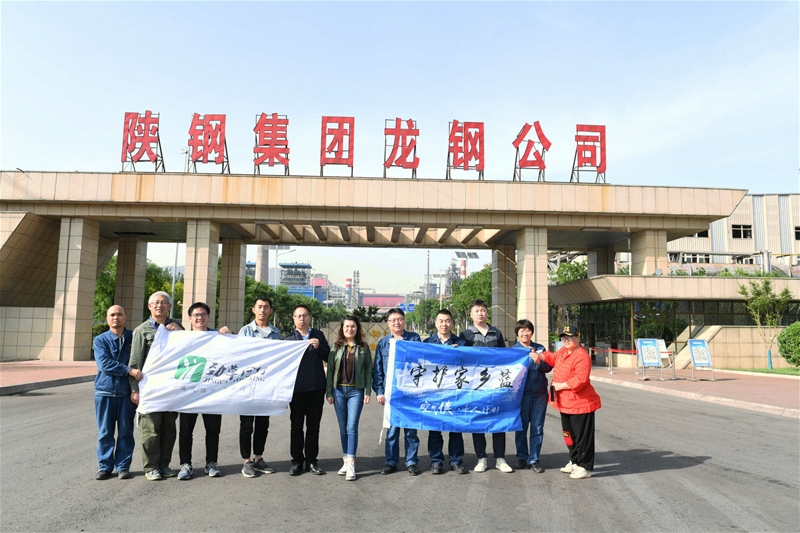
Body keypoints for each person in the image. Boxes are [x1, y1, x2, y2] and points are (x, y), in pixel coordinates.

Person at [129, 291, 184, 481]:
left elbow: (187, 351)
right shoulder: (141, 330)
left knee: (169, 428)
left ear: (169, 307)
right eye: (156, 303)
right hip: (150, 388)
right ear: (149, 306)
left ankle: (164, 464)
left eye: (164, 302)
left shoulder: (177, 327)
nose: (160, 305)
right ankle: (151, 466)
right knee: (150, 428)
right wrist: (134, 389)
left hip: (171, 387)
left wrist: (180, 332)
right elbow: (135, 362)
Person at [533, 326, 601, 480]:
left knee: (582, 437)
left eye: (569, 337)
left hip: (581, 404)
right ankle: (575, 461)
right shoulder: (563, 351)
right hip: (564, 403)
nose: (566, 341)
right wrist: (539, 355)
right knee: (568, 435)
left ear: (577, 337)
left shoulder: (582, 356)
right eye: (563, 338)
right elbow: (552, 358)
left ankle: (585, 466)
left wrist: (561, 385)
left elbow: (581, 380)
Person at [177, 302, 231, 480]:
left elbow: (235, 352)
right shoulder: (181, 338)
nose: (200, 318)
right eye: (196, 315)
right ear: (190, 318)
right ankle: (185, 464)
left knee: (213, 430)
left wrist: (231, 335)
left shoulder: (219, 336)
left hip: (211, 391)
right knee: (185, 431)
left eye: (203, 314)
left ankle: (211, 463)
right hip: (189, 391)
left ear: (209, 317)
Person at [459, 299, 513, 473]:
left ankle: (500, 458)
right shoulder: (466, 335)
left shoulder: (496, 333)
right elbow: (461, 359)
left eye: (482, 310)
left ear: (487, 313)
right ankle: (481, 458)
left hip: (495, 386)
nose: (480, 313)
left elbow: (505, 357)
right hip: (475, 387)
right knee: (478, 421)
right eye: (476, 311)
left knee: (498, 420)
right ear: (471, 314)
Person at [93, 305, 141, 480]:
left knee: (126, 432)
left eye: (119, 314)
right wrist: (129, 370)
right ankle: (105, 467)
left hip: (127, 393)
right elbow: (104, 364)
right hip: (104, 392)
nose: (116, 317)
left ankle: (123, 466)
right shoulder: (100, 340)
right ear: (107, 318)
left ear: (125, 317)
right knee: (105, 432)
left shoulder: (134, 337)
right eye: (112, 315)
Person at [373, 307, 422, 475]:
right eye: (393, 320)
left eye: (399, 319)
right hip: (391, 393)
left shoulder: (414, 339)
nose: (396, 323)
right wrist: (379, 391)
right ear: (388, 323)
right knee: (392, 430)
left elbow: (422, 360)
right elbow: (378, 370)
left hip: (411, 392)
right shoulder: (383, 343)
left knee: (410, 429)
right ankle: (391, 462)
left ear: (404, 321)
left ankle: (411, 461)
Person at [237, 295, 282, 478]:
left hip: (267, 386)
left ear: (271, 310)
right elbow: (239, 356)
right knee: (246, 424)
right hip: (248, 386)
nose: (262, 310)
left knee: (263, 424)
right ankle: (246, 461)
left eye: (266, 307)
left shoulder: (276, 333)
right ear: (253, 309)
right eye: (259, 306)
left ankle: (258, 458)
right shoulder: (245, 331)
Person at [284, 304, 330, 476]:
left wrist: (320, 347)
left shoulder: (318, 335)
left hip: (316, 388)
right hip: (296, 390)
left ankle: (312, 461)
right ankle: (297, 461)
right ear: (293, 319)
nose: (301, 319)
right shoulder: (289, 339)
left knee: (313, 427)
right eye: (298, 316)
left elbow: (329, 356)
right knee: (296, 427)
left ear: (310, 317)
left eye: (304, 315)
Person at [326, 316, 372, 481]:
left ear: (357, 328)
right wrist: (329, 392)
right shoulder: (336, 347)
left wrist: (367, 391)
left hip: (356, 391)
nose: (350, 329)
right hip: (338, 391)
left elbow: (368, 370)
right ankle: (345, 459)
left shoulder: (363, 347)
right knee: (343, 427)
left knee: (352, 426)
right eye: (347, 326)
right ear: (342, 328)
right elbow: (330, 370)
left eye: (353, 326)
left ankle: (351, 462)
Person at [423, 309, 468, 475]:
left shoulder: (461, 343)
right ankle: (436, 461)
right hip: (434, 392)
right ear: (435, 323)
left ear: (452, 323)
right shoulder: (428, 343)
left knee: (455, 428)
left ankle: (456, 461)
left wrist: (458, 353)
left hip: (455, 392)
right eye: (441, 321)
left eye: (447, 321)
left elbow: (469, 365)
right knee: (435, 428)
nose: (444, 324)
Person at [513, 319, 551, 473]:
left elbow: (548, 367)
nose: (525, 333)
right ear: (517, 333)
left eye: (527, 330)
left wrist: (539, 361)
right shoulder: (513, 351)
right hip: (521, 396)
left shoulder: (540, 348)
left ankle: (534, 459)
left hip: (540, 394)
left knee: (537, 427)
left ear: (532, 332)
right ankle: (521, 457)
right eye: (521, 330)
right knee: (521, 428)